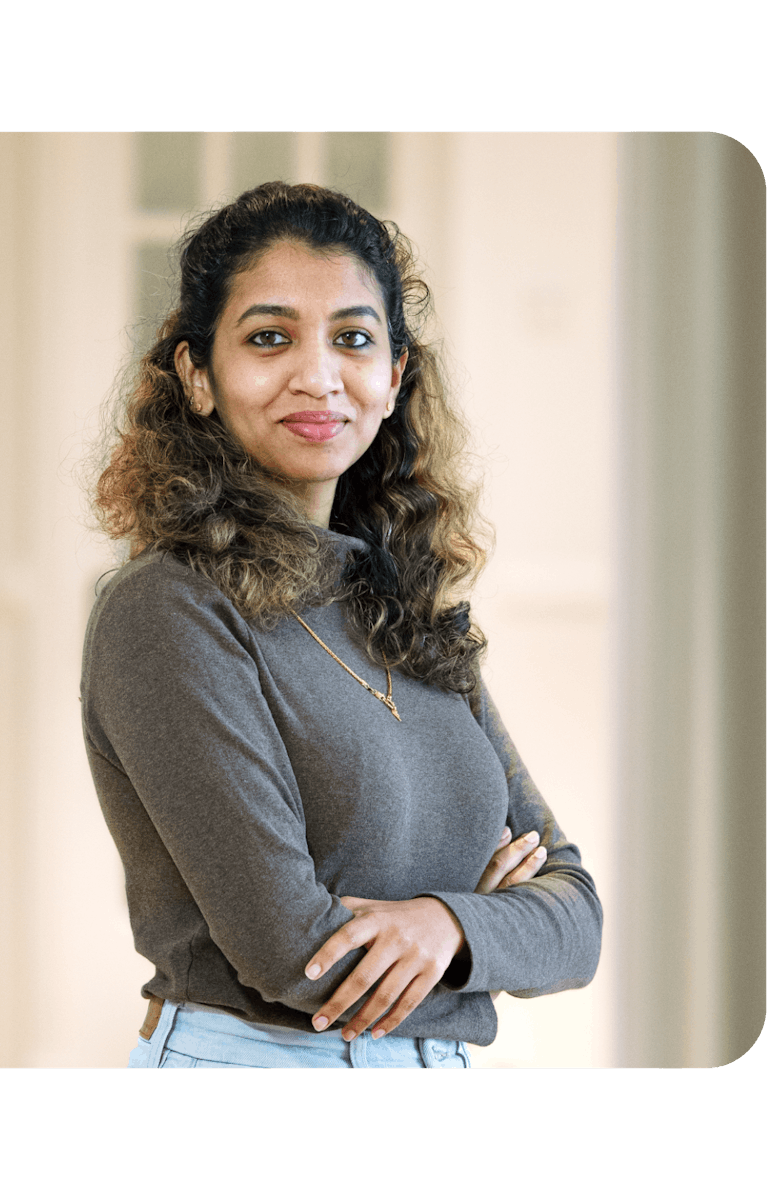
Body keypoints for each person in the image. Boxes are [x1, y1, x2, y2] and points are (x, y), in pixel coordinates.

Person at [81, 182, 602, 1069]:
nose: (318, 375)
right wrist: (494, 930)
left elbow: (578, 918)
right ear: (197, 376)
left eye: (354, 339)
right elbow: (294, 950)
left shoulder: (408, 608)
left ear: (394, 378)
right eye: (268, 337)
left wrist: (448, 921)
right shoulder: (168, 611)